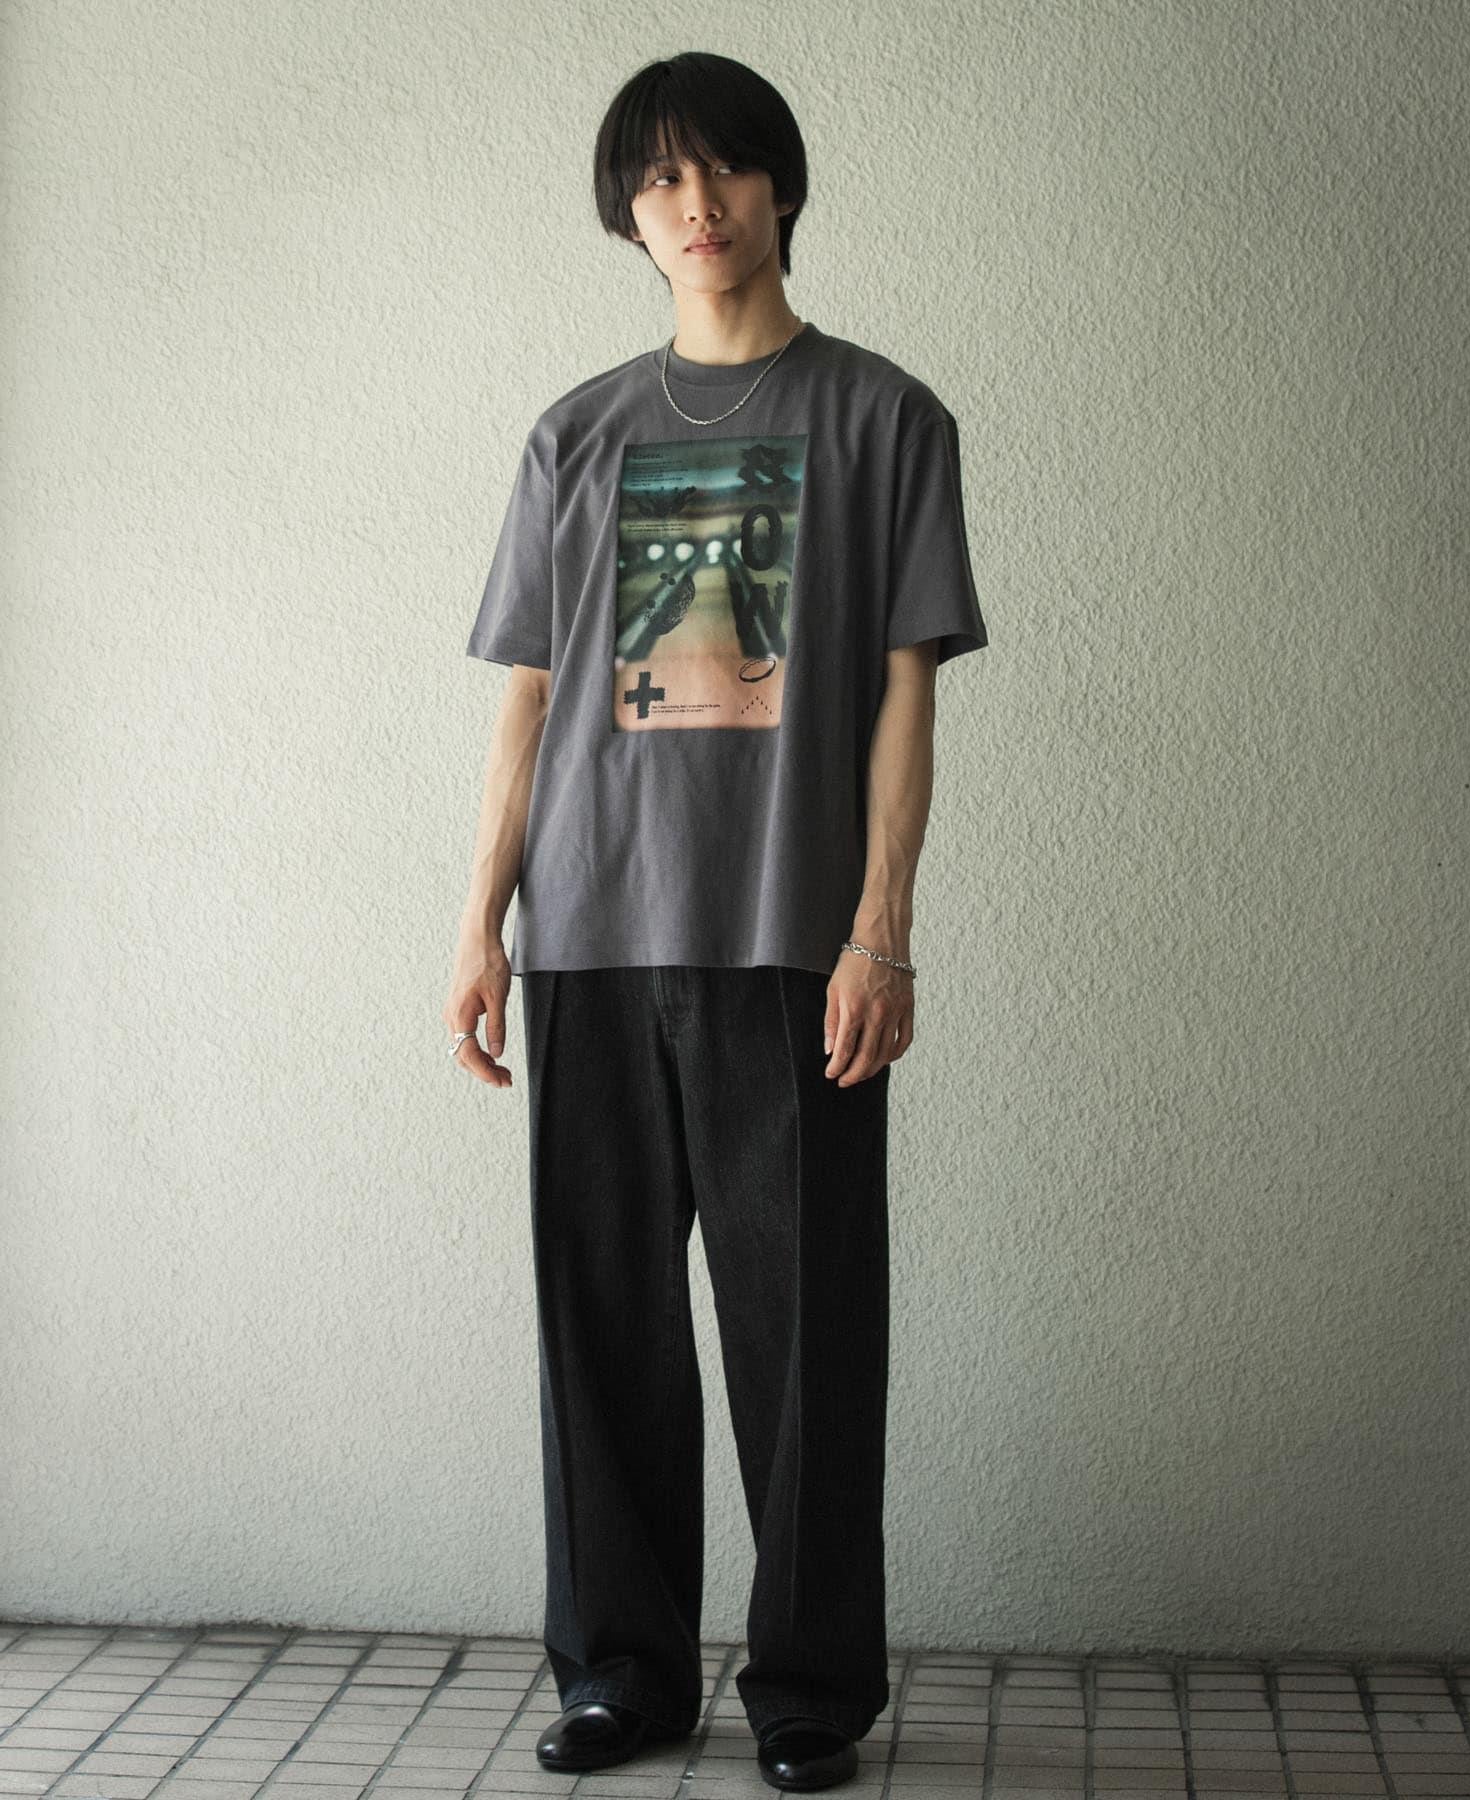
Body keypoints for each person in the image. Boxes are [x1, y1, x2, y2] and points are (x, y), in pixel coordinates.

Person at [444, 50, 988, 1795]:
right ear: (630, 215)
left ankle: (809, 1687)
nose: (698, 205)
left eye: (726, 170)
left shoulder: (887, 420)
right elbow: (529, 703)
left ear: (780, 187)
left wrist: (882, 927)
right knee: (603, 1326)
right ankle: (623, 1671)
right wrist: (478, 924)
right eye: (662, 180)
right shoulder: (574, 435)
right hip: (590, 941)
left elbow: (906, 697)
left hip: (789, 944)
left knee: (807, 1330)